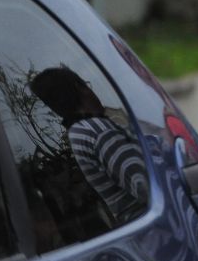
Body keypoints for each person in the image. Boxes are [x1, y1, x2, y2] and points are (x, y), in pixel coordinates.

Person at [29, 67, 149, 224]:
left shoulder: (78, 132)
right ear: (79, 88)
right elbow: (147, 186)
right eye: (86, 84)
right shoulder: (98, 131)